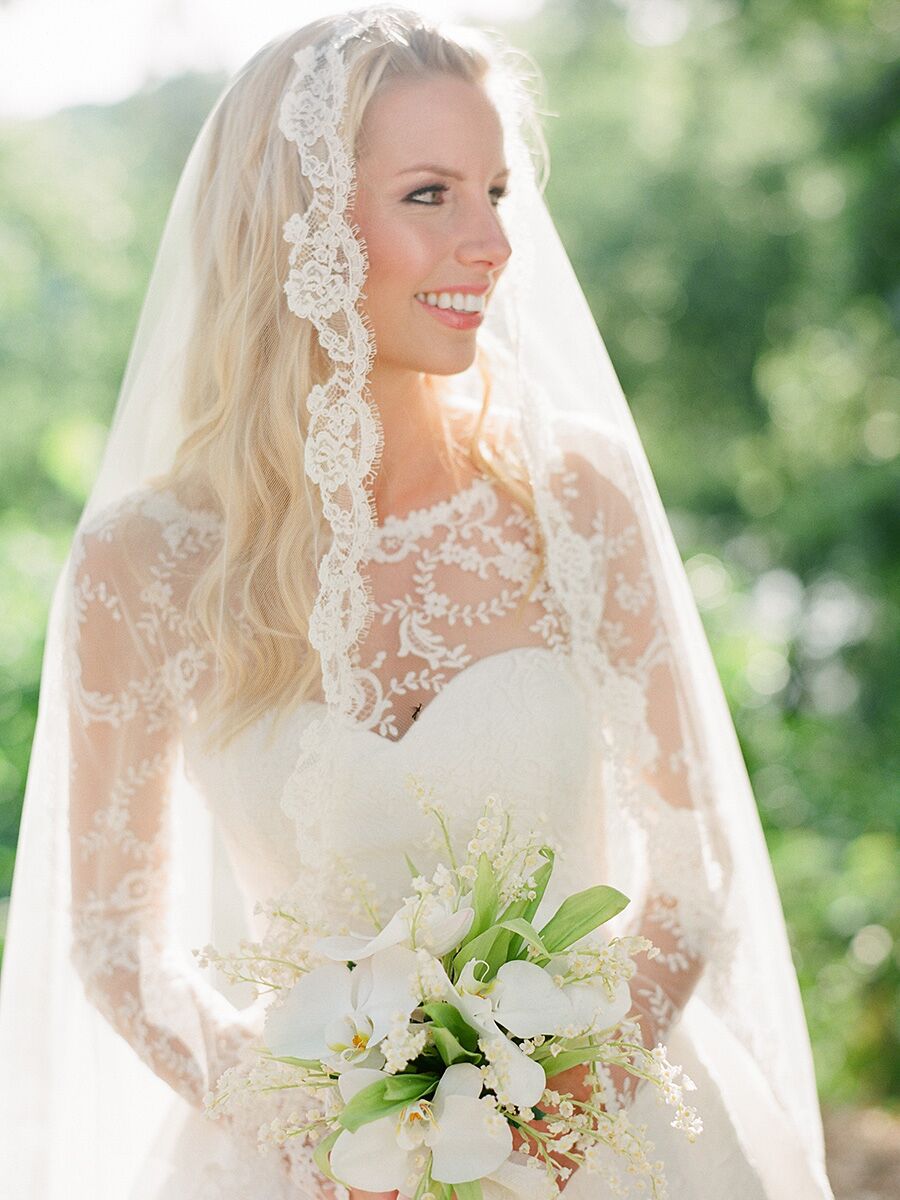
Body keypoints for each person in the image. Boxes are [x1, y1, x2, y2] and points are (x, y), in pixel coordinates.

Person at [0, 6, 835, 1198]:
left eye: (497, 190)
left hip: (605, 1150)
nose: (493, 242)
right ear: (302, 226)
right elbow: (111, 947)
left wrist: (559, 1103)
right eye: (433, 194)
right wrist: (324, 1133)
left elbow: (694, 871)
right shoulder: (145, 566)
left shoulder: (573, 495)